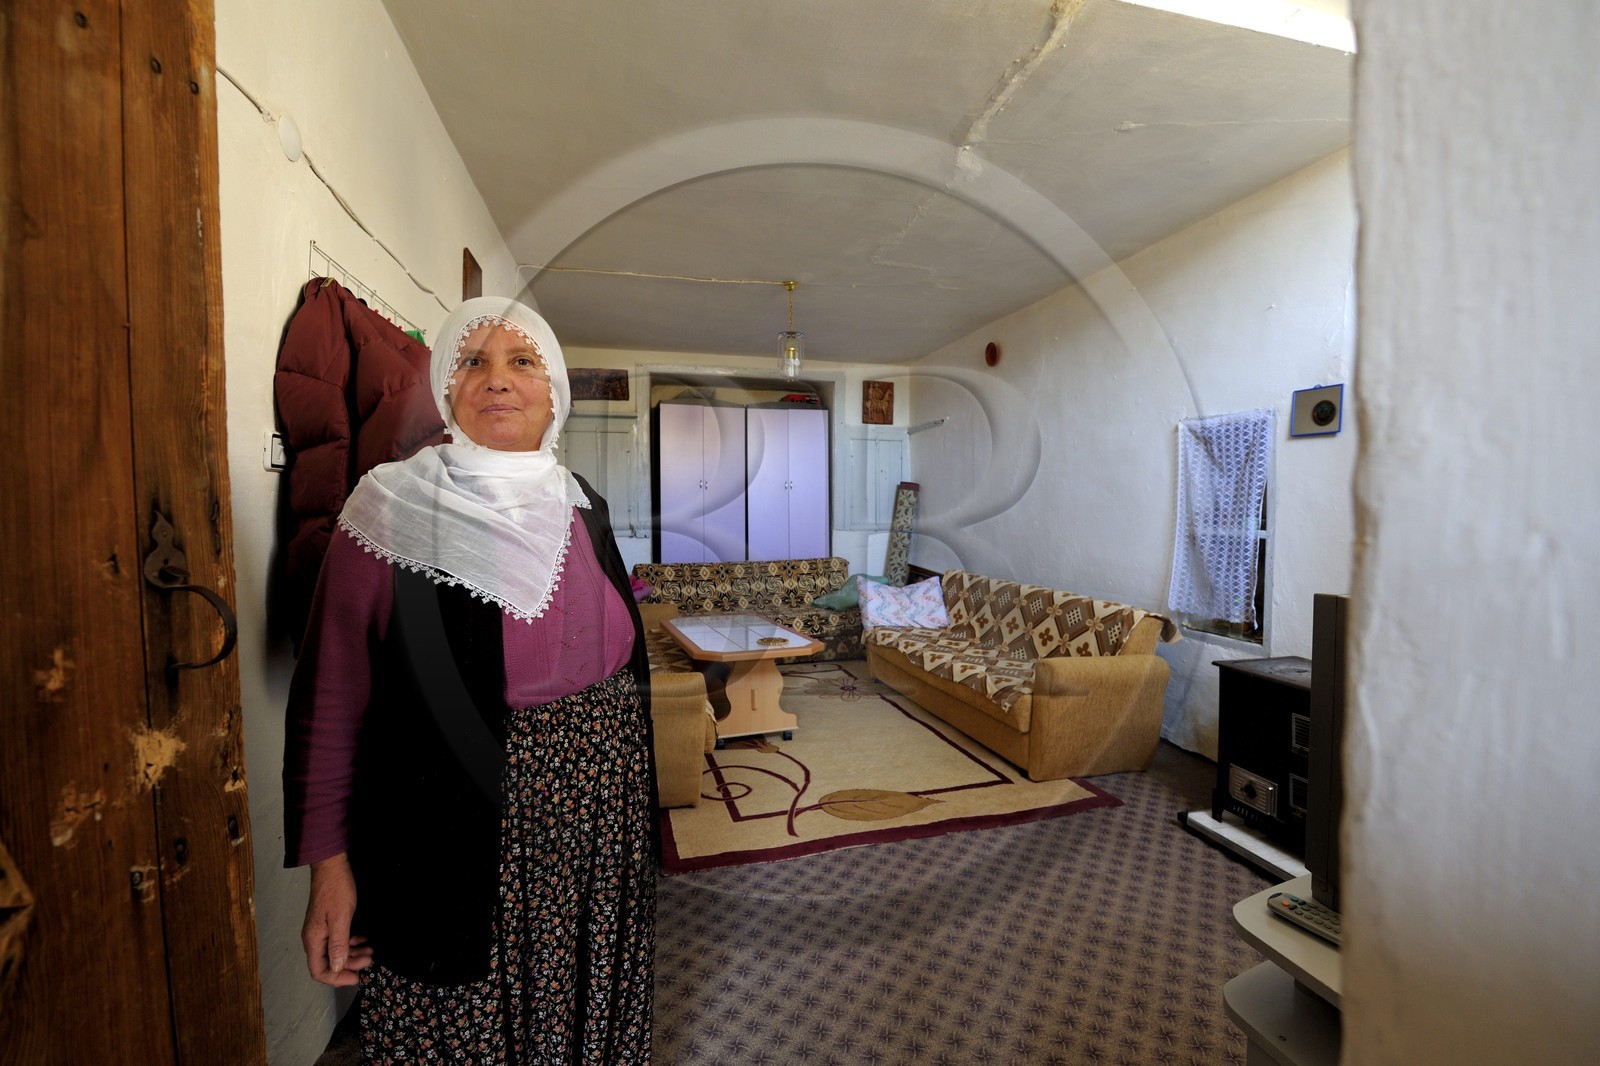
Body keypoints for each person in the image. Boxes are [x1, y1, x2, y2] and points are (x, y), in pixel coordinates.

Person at [283, 297, 655, 1063]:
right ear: (445, 390)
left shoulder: (583, 505)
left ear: (554, 392)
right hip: (453, 833)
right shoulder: (389, 510)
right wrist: (329, 867)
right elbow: (331, 698)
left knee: (583, 988)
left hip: (600, 821)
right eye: (472, 362)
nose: (498, 379)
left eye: (523, 361)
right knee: (466, 1013)